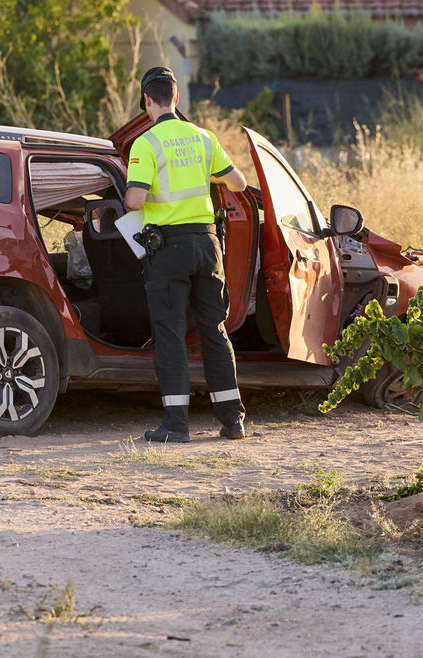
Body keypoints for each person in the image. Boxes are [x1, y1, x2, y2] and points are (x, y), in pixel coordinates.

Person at [124, 66, 248, 443]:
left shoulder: (145, 144)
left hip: (169, 249)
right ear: (177, 98)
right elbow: (239, 183)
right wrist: (203, 175)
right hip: (208, 246)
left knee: (171, 334)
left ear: (147, 100)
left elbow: (134, 200)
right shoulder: (204, 138)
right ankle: (233, 421)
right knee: (214, 330)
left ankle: (176, 425)